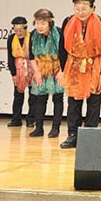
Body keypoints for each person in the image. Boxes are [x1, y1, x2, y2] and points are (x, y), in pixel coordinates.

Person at [58, 0, 101, 149]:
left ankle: (89, 136)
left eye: (84, 9)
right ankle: (73, 135)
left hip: (95, 65)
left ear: (93, 7)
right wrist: (63, 70)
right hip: (74, 65)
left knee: (94, 103)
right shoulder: (68, 21)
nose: (80, 12)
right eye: (77, 9)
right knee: (73, 103)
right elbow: (62, 48)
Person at [28, 9, 64, 138]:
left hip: (57, 68)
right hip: (41, 68)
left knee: (58, 98)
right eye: (37, 23)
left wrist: (62, 72)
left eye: (43, 23)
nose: (39, 26)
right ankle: (39, 127)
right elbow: (31, 55)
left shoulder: (59, 33)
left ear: (50, 23)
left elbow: (66, 54)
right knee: (39, 99)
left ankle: (55, 128)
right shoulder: (33, 35)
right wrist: (36, 72)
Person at [7, 16, 36, 128]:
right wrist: (13, 73)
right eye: (16, 30)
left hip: (31, 66)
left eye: (20, 30)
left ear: (25, 28)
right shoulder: (11, 38)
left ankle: (30, 119)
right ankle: (16, 119)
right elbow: (10, 57)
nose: (18, 33)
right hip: (18, 67)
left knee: (33, 95)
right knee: (18, 95)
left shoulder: (32, 37)